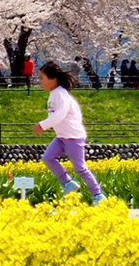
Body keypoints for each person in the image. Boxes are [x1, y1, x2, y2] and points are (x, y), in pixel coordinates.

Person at [34, 61, 105, 201]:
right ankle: (68, 183)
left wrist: (42, 125)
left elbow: (59, 115)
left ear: (52, 78)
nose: (40, 82)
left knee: (80, 168)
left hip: (73, 137)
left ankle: (98, 195)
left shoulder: (60, 94)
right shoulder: (55, 93)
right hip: (62, 136)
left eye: (42, 78)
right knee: (47, 158)